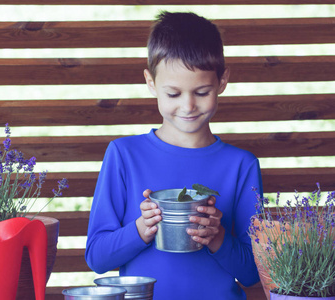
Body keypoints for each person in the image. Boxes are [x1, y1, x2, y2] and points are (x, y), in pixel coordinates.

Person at [85, 11, 262, 300]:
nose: (188, 105)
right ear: (151, 82)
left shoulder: (242, 165)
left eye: (202, 91)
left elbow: (253, 273)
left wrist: (217, 237)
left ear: (222, 81)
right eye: (173, 94)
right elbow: (97, 257)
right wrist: (142, 229)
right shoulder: (123, 155)